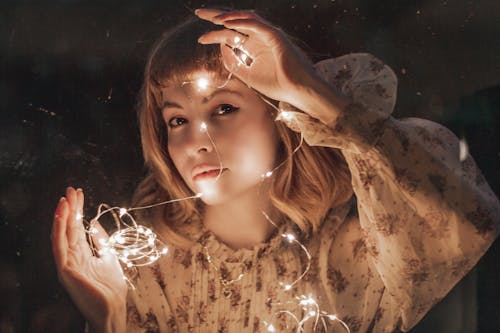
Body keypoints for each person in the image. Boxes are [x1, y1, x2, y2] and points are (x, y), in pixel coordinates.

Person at [51, 8, 500, 333]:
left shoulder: (359, 256)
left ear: (280, 115)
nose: (195, 140)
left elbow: (467, 218)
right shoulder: (150, 277)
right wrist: (110, 322)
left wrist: (308, 90)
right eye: (177, 120)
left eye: (223, 108)